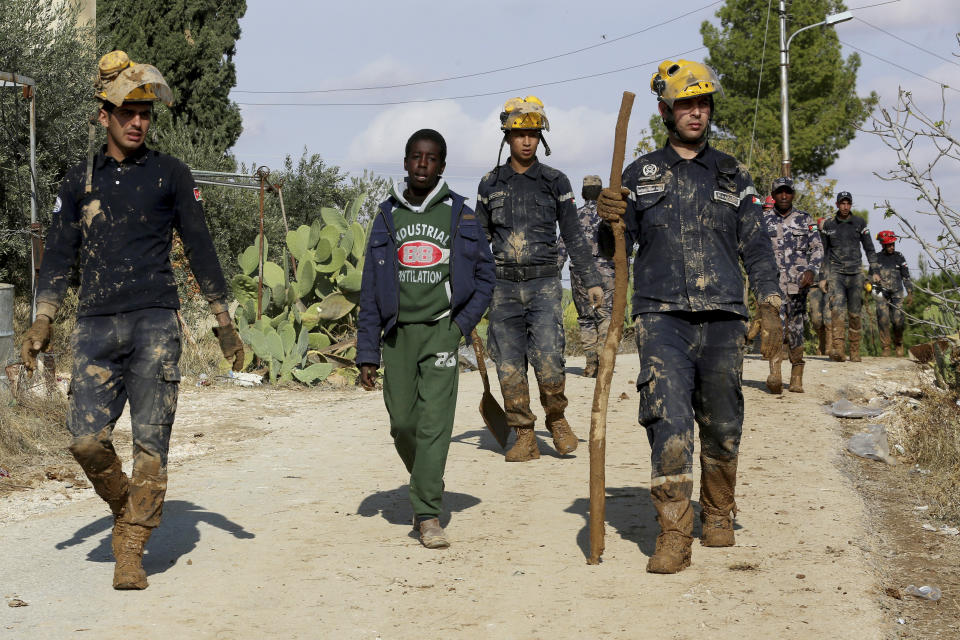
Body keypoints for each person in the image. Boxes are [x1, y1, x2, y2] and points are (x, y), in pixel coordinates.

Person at [20, 51, 244, 590]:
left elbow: (200, 246)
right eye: (127, 112)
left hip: (154, 325)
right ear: (104, 116)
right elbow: (58, 254)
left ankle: (131, 548)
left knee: (151, 446)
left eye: (145, 112)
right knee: (84, 440)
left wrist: (222, 319)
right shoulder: (79, 181)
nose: (138, 121)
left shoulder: (171, 173)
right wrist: (42, 317)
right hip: (95, 326)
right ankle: (128, 505)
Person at [596, 59, 783, 574]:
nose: (696, 113)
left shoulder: (733, 173)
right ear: (665, 111)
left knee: (722, 424)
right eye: (686, 104)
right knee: (669, 421)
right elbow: (615, 247)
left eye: (703, 104)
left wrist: (768, 300)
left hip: (724, 316)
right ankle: (675, 533)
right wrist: (608, 216)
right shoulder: (639, 175)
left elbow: (758, 245)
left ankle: (719, 510)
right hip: (661, 317)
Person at [357, 129, 495, 548]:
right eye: (415, 157)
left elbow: (486, 278)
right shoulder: (386, 216)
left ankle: (428, 514)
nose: (422, 164)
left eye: (431, 158)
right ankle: (428, 475)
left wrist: (459, 326)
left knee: (435, 424)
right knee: (403, 424)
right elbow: (369, 289)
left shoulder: (461, 215)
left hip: (440, 331)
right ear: (404, 162)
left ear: (442, 165)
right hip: (397, 335)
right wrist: (367, 352)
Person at [475, 96, 603, 462]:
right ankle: (523, 433)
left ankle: (557, 418)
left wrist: (591, 278)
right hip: (502, 288)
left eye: (533, 133)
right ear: (507, 137)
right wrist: (468, 287)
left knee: (549, 359)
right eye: (520, 134)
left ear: (540, 137)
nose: (527, 141)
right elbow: (477, 241)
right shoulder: (489, 184)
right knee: (510, 365)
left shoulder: (555, 181)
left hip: (544, 284)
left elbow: (575, 235)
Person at [761, 177, 823, 394]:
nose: (784, 196)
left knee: (796, 329)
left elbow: (817, 248)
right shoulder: (763, 219)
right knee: (774, 329)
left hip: (798, 285)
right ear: (774, 195)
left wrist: (812, 269)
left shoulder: (805, 219)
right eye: (779, 192)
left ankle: (797, 371)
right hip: (772, 285)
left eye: (787, 192)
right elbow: (754, 250)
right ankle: (775, 374)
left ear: (793, 194)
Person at [557, 175, 615, 378]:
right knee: (605, 316)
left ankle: (591, 365)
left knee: (586, 319)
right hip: (606, 271)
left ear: (582, 194)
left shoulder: (573, 217)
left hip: (579, 273)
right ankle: (604, 362)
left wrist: (555, 274)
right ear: (601, 193)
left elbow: (561, 249)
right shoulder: (608, 217)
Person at [821, 191, 878, 362]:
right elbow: (823, 253)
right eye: (842, 203)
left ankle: (854, 351)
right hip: (836, 274)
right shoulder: (828, 225)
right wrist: (822, 277)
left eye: (848, 203)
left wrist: (874, 271)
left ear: (851, 205)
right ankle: (839, 350)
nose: (845, 206)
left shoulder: (860, 223)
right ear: (837, 205)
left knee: (854, 313)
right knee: (837, 310)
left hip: (855, 275)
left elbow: (869, 248)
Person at [873, 230, 914, 356]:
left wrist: (910, 292)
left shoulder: (899, 257)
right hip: (880, 291)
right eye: (889, 245)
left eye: (893, 245)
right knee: (883, 318)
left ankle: (899, 343)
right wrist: (870, 281)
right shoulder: (876, 258)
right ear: (883, 245)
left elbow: (906, 276)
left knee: (898, 320)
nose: (892, 247)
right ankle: (885, 347)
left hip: (897, 291)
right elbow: (870, 276)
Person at [807, 216, 832, 355]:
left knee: (828, 316)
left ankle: (829, 346)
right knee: (816, 320)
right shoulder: (810, 240)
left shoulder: (834, 241)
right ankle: (822, 342)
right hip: (815, 284)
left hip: (830, 282)